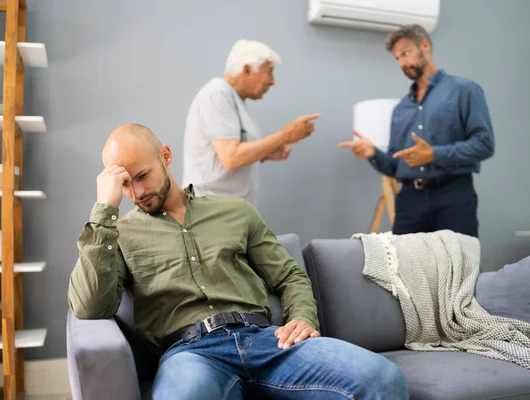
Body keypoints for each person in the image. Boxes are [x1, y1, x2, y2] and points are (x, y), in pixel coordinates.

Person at [68, 124, 408, 399]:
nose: (137, 193)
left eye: (142, 176)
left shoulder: (236, 211)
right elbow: (90, 307)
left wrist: (302, 317)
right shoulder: (119, 234)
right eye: (125, 184)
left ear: (166, 156)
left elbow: (289, 275)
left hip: (267, 341)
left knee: (382, 379)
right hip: (192, 354)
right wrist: (104, 212)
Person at [339, 24, 494, 237]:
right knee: (404, 268)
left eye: (406, 53)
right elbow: (396, 166)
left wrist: (434, 154)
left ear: (425, 46)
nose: (402, 63)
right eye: (397, 58)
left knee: (457, 268)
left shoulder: (464, 90)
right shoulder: (401, 109)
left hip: (453, 196)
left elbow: (484, 144)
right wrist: (372, 153)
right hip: (409, 201)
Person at [182, 39, 319, 205]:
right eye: (269, 72)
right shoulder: (217, 94)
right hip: (210, 211)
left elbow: (229, 154)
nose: (272, 81)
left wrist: (265, 153)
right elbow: (231, 157)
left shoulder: (235, 99)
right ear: (246, 70)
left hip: (226, 211)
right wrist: (285, 136)